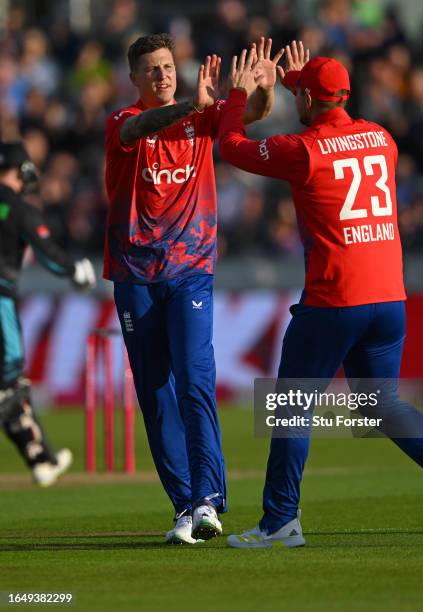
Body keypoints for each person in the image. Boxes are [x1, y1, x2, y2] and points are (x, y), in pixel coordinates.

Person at [218, 43, 423, 548]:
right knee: (379, 404)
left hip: (336, 297)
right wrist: (300, 79)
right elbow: (326, 102)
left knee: (293, 405)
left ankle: (280, 521)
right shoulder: (382, 139)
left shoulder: (303, 151)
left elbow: (230, 146)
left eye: (301, 94)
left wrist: (239, 93)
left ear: (308, 102)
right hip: (389, 297)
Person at [104, 33, 283, 544]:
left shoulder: (203, 117)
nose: (162, 74)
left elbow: (250, 117)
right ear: (135, 78)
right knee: (155, 394)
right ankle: (184, 503)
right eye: (151, 69)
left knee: (195, 380)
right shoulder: (121, 122)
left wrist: (263, 89)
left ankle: (207, 500)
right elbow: (141, 126)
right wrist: (192, 104)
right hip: (134, 273)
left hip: (190, 269)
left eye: (167, 66)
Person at [0, 141, 96, 486]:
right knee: (9, 384)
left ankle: (40, 458)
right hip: (1, 302)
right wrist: (76, 271)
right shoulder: (19, 209)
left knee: (11, 387)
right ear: (24, 172)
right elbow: (50, 254)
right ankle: (41, 458)